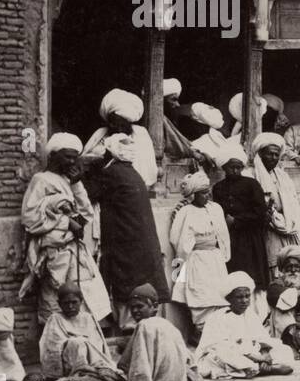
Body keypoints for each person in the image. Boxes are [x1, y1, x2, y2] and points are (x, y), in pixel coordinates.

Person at [19, 134, 111, 326]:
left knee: (78, 302)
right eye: (67, 156)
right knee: (53, 303)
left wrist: (77, 184)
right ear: (53, 155)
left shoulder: (69, 181)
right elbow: (30, 218)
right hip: (54, 254)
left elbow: (86, 215)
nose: (71, 161)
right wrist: (66, 222)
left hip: (74, 252)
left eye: (74, 157)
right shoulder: (41, 180)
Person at [82, 133, 169, 333]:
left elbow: (89, 193)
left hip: (127, 243)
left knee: (127, 288)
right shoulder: (132, 172)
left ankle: (128, 332)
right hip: (140, 242)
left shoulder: (112, 173)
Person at [36, 282, 128, 381]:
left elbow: (97, 346)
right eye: (66, 303)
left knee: (83, 345)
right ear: (59, 304)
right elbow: (52, 348)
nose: (70, 307)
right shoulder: (55, 319)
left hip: (91, 364)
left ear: (81, 302)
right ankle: (79, 378)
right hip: (68, 366)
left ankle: (90, 377)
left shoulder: (88, 318)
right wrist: (77, 343)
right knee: (77, 342)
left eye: (74, 302)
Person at [196, 272, 295, 379]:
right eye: (239, 297)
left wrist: (265, 354)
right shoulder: (218, 317)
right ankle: (263, 369)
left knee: (284, 350)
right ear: (229, 299)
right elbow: (218, 346)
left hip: (254, 355)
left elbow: (262, 339)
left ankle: (255, 368)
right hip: (225, 356)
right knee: (224, 354)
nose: (245, 301)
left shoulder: (250, 315)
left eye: (247, 296)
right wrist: (256, 358)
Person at [167, 170, 231, 335]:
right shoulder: (186, 212)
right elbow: (177, 240)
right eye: (203, 193)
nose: (207, 195)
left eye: (208, 191)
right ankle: (201, 332)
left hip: (215, 259)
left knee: (219, 294)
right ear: (193, 195)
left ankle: (217, 333)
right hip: (197, 260)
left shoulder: (216, 208)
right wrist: (180, 267)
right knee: (201, 296)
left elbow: (223, 234)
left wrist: (222, 253)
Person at [210, 146, 271, 309]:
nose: (235, 171)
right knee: (232, 273)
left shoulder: (251, 184)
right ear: (224, 168)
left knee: (252, 274)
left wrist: (237, 220)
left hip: (250, 239)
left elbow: (261, 213)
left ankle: (256, 312)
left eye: (238, 167)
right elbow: (216, 211)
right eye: (232, 167)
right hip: (229, 239)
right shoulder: (218, 188)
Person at [118, 284, 202, 381]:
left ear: (155, 306)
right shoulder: (169, 325)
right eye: (132, 307)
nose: (135, 311)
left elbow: (140, 364)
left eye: (139, 306)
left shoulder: (144, 325)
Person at [82, 88, 158, 188]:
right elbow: (85, 159)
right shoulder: (101, 133)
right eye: (110, 122)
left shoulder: (140, 135)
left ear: (128, 121)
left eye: (118, 123)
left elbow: (145, 168)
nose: (113, 126)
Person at [251, 133, 300, 262]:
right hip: (266, 230)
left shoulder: (283, 176)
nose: (273, 158)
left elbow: (293, 203)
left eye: (276, 155)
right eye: (269, 154)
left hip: (287, 228)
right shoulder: (250, 176)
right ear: (260, 154)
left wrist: (286, 223)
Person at [161, 78, 198, 160]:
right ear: (161, 100)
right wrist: (194, 153)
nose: (177, 105)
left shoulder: (166, 119)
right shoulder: (160, 120)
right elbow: (176, 146)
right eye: (173, 100)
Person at [188, 103, 231, 172]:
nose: (189, 124)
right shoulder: (220, 138)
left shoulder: (198, 143)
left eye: (191, 121)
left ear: (200, 124)